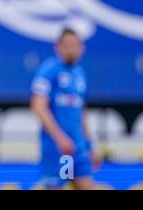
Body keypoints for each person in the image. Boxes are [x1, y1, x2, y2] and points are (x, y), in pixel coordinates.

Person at [30, 28, 101, 190]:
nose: (71, 49)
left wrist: (90, 146)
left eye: (75, 45)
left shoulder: (79, 73)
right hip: (58, 148)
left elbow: (80, 113)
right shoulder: (49, 70)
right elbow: (38, 106)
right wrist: (60, 138)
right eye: (67, 45)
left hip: (79, 148)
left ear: (82, 48)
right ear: (58, 47)